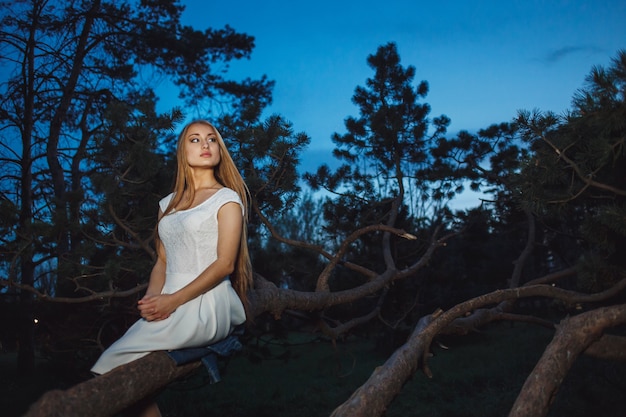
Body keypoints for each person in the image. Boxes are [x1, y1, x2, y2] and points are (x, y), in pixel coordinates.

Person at [91, 120, 253, 417]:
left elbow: (224, 264)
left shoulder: (227, 199)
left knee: (111, 363)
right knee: (121, 373)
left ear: (219, 149)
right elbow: (163, 261)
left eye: (212, 139)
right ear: (182, 150)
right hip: (170, 299)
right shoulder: (167, 204)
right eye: (195, 139)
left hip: (207, 301)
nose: (205, 145)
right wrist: (153, 302)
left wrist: (172, 301)